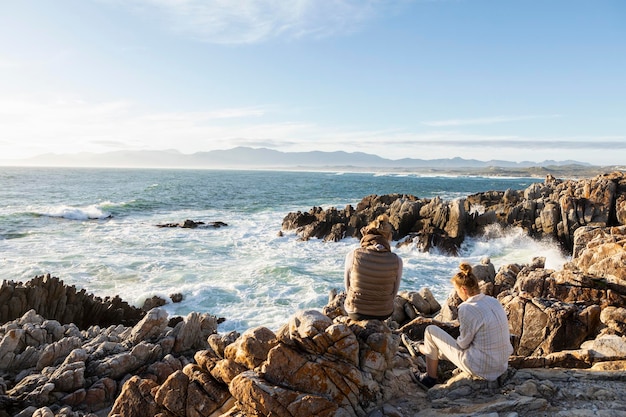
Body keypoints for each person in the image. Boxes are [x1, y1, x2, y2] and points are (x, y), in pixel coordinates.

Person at [416, 262, 513, 388]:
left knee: (430, 331)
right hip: (501, 365)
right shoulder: (493, 301)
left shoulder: (466, 308)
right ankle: (428, 351)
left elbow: (463, 344)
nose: (457, 294)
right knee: (443, 347)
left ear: (463, 289)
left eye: (457, 290)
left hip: (483, 369)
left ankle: (429, 378)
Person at [344, 214, 403, 321]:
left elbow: (348, 287)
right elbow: (394, 293)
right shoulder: (397, 260)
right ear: (389, 237)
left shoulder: (353, 255)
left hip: (355, 312)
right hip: (384, 313)